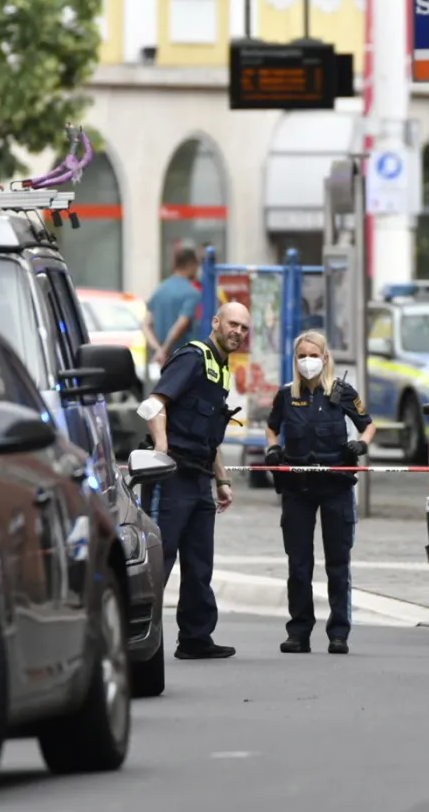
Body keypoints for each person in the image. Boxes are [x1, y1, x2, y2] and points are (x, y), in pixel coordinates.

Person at [140, 301, 251, 660]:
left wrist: (222, 481)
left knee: (199, 561)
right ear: (216, 322)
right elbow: (153, 405)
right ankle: (139, 639)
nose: (237, 332)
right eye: (232, 324)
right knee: (159, 559)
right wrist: (161, 449)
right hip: (171, 476)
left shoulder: (221, 370)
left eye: (244, 328)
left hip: (200, 477)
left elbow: (211, 434)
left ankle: (195, 638)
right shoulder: (194, 357)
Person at [264, 330, 376, 655]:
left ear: (325, 358)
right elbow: (272, 427)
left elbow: (368, 423)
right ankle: (298, 632)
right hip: (298, 487)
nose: (307, 361)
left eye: (313, 355)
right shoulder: (286, 395)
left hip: (335, 486)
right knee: (299, 564)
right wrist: (273, 450)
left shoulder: (341, 393)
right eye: (302, 356)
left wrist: (361, 443)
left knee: (337, 563)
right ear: (295, 360)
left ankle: (338, 633)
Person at [144, 247, 202, 369]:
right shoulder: (191, 293)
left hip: (159, 361)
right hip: (182, 360)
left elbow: (146, 324)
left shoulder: (159, 290)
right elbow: (181, 324)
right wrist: (164, 349)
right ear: (191, 265)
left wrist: (157, 350)